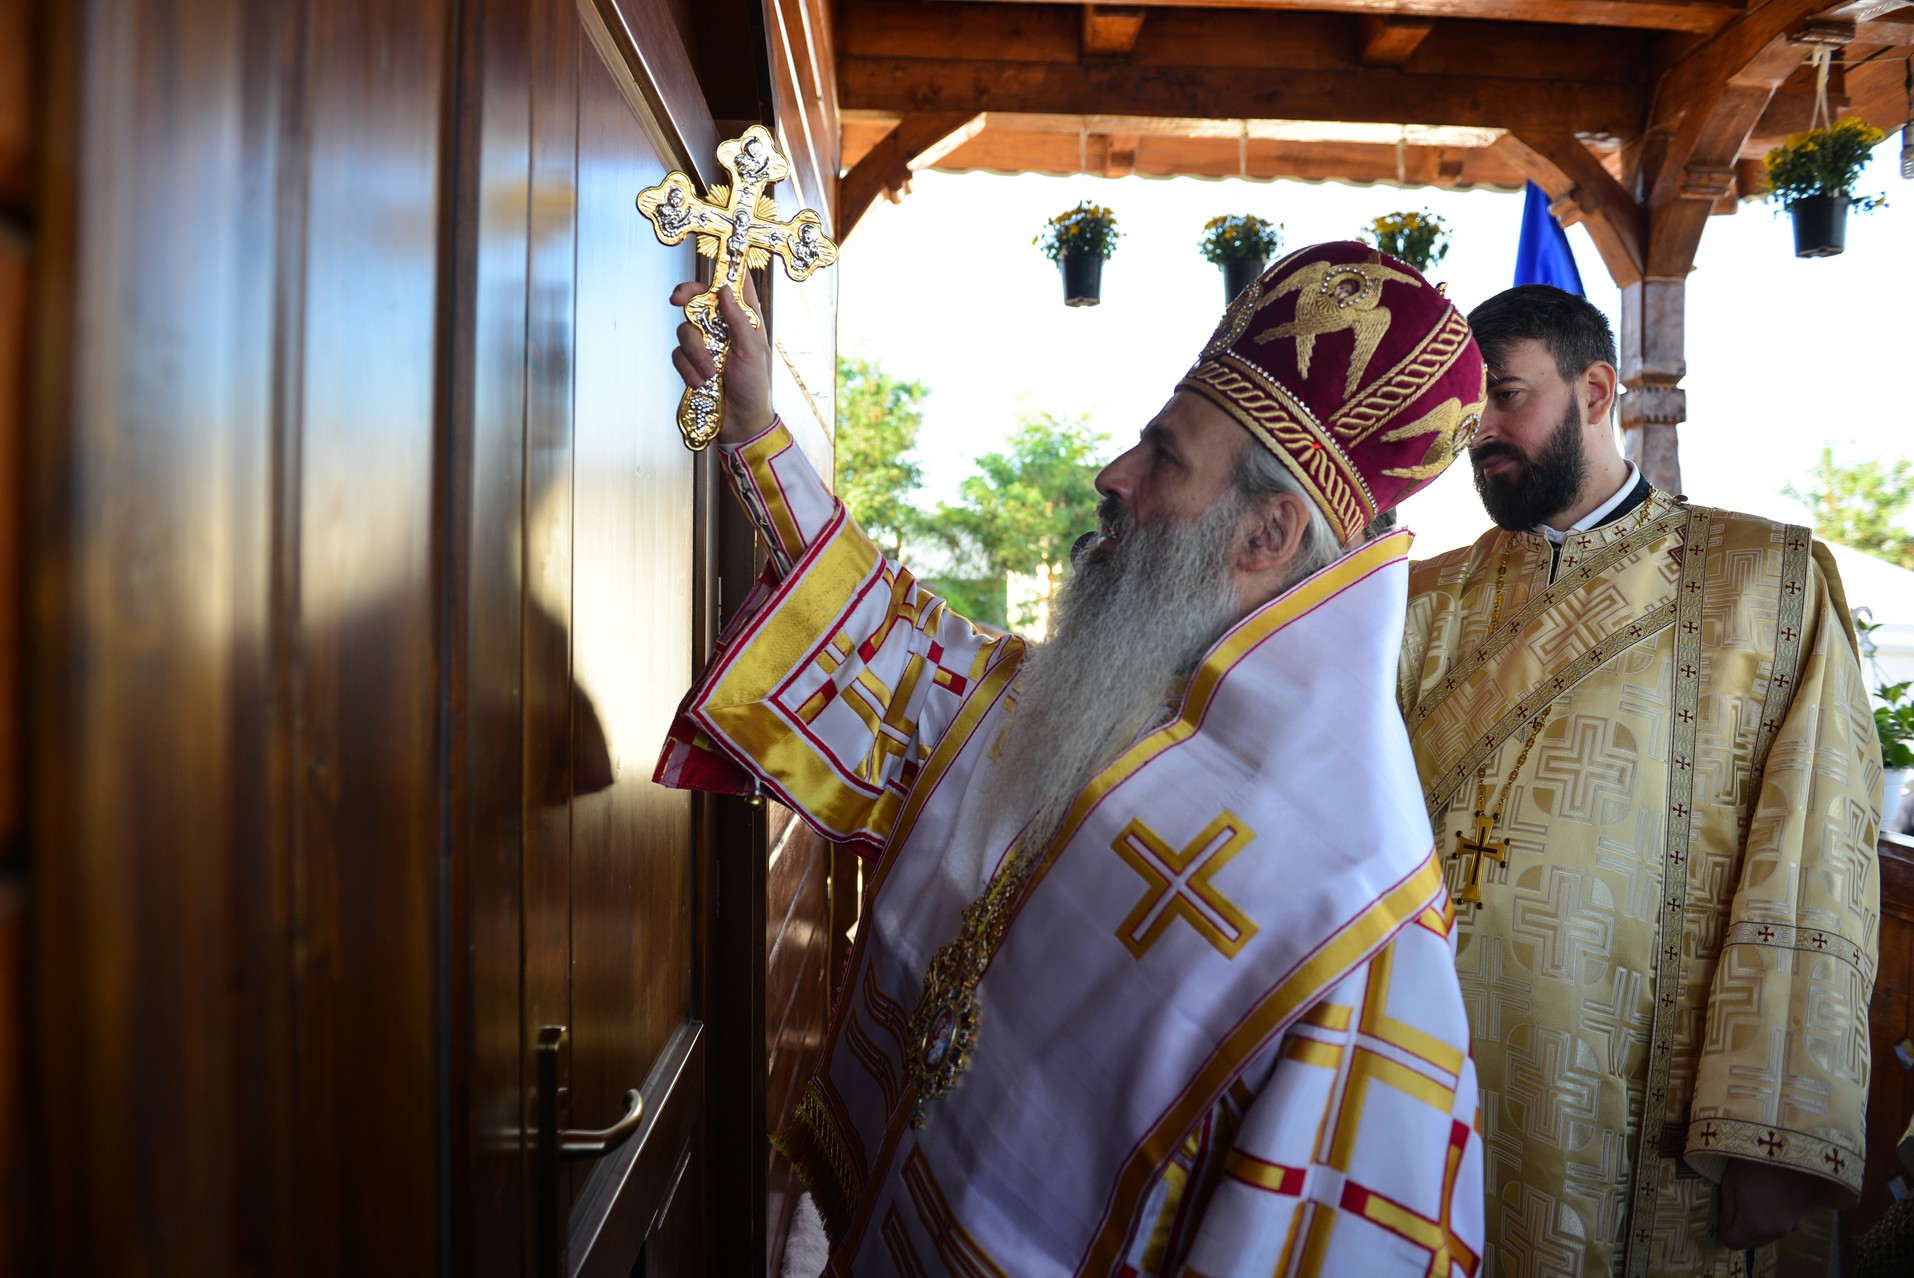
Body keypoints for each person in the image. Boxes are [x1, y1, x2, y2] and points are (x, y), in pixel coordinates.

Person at [656, 243, 1489, 1275]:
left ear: (1268, 531)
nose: (1114, 475)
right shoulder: (1108, 695)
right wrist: (754, 429)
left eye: (1165, 458)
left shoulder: (1356, 922)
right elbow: (897, 643)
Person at [1399, 284, 1881, 1277]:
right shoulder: (1419, 598)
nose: (1481, 430)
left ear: (1597, 390)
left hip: (1640, 1101)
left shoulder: (1766, 582)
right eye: (1465, 413)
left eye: (1505, 395)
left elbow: (1814, 860)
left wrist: (1774, 1126)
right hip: (1425, 1064)